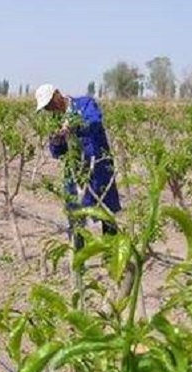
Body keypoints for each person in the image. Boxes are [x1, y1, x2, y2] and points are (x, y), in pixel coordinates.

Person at [35, 84, 121, 251]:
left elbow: (95, 122)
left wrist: (73, 127)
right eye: (46, 108)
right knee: (74, 212)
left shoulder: (85, 104)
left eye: (50, 104)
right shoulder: (55, 120)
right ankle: (78, 256)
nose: (50, 109)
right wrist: (57, 141)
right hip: (74, 170)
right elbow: (56, 152)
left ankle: (111, 255)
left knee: (105, 209)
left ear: (58, 94)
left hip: (97, 166)